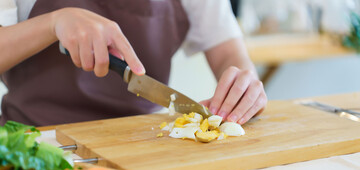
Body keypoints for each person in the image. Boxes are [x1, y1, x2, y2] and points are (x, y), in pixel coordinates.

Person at [0, 0, 267, 126]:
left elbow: (229, 53)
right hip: (32, 141)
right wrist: (52, 23)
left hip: (143, 143)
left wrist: (243, 86)